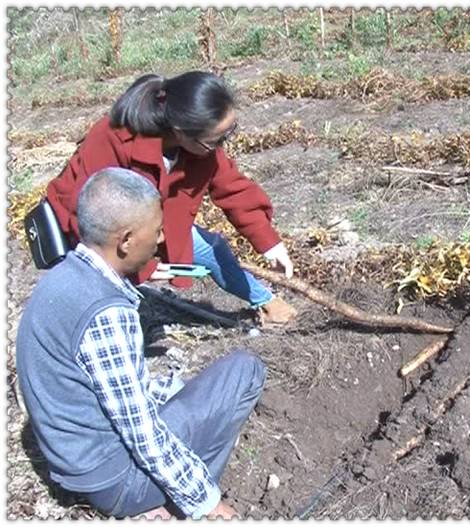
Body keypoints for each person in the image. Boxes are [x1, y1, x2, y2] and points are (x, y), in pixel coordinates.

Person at [16, 168, 266, 519]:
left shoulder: (61, 278)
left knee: (184, 394)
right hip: (114, 481)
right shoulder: (106, 312)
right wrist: (208, 502)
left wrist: (175, 393)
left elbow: (110, 388)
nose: (162, 238)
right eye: (158, 229)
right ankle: (174, 503)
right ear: (126, 240)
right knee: (244, 370)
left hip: (76, 462)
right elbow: (144, 434)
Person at [45, 70, 297, 325]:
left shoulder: (201, 146)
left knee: (211, 249)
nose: (220, 147)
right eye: (215, 141)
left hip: (152, 224)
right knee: (104, 293)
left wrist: (269, 244)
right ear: (180, 131)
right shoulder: (113, 137)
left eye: (226, 135)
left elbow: (231, 187)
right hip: (87, 231)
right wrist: (141, 268)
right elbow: (87, 214)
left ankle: (265, 301)